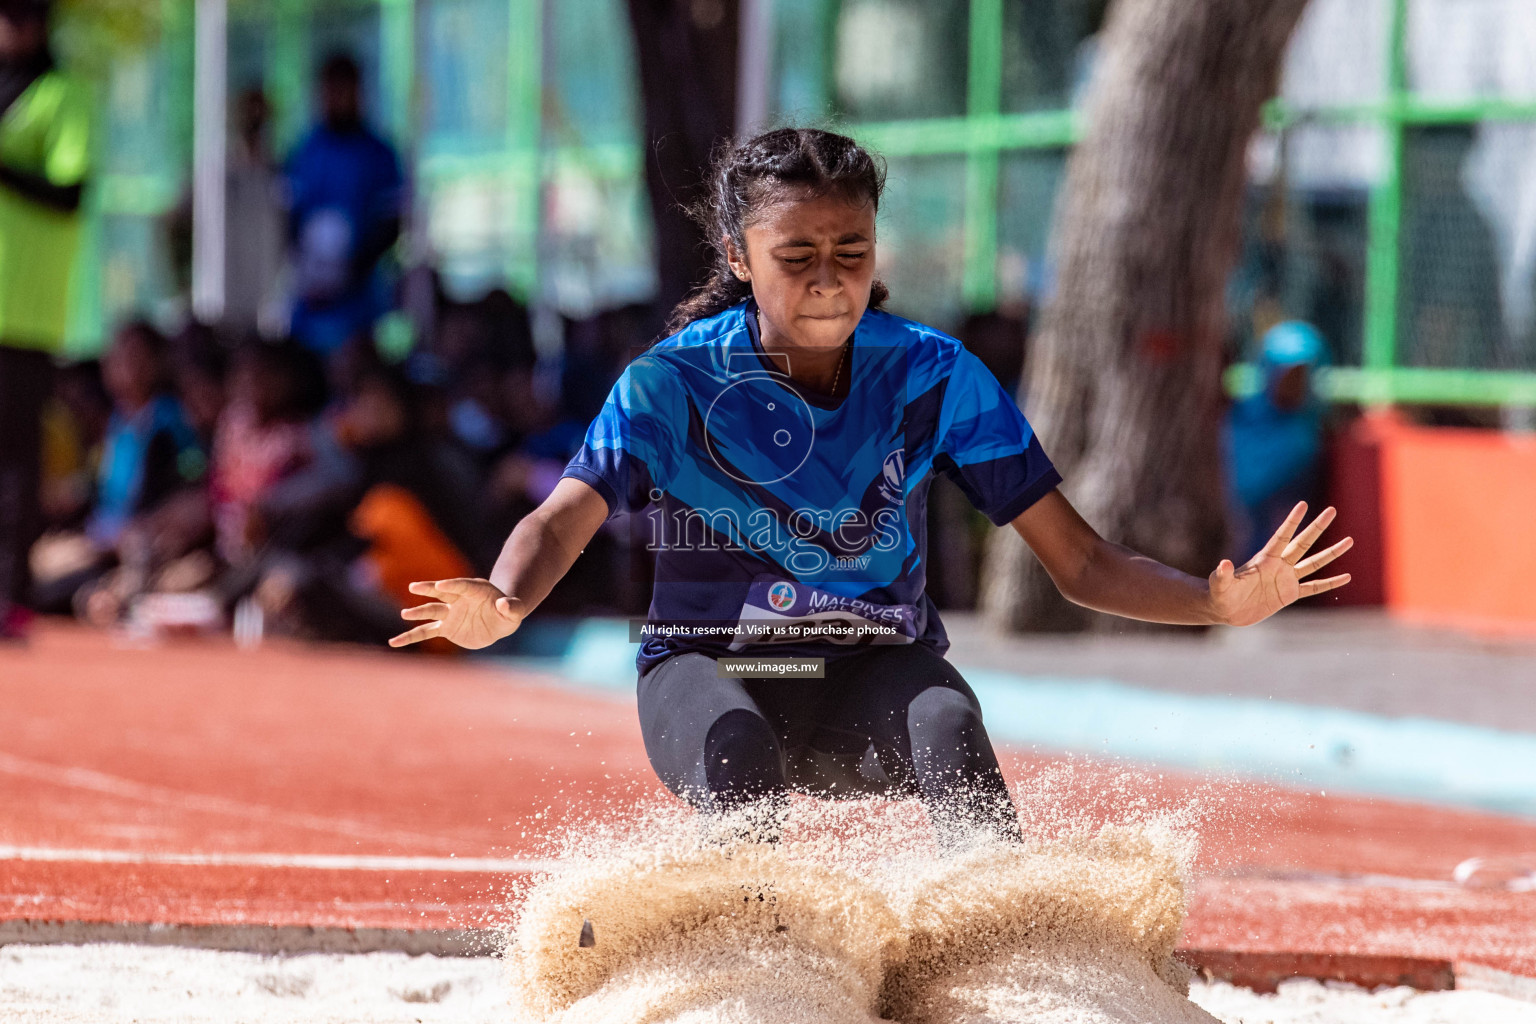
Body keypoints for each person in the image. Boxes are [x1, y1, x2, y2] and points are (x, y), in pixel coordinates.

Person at [390, 129, 1353, 847]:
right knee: (737, 757)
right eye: (795, 256)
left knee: (950, 724)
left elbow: (1082, 560)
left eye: (850, 252)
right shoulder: (671, 382)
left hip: (869, 675)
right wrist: (507, 599)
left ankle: (999, 953)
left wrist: (1216, 604)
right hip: (711, 672)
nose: (828, 280)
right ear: (738, 260)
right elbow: (564, 514)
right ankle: (752, 964)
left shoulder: (933, 377)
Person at [0, 0, 90, 637]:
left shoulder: (62, 96)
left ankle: (11, 593)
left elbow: (69, 191)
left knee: (15, 467)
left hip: (26, 314)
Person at [283, 53, 404, 359]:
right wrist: (313, 271)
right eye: (329, 91)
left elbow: (391, 224)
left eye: (343, 90)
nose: (335, 99)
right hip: (311, 301)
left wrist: (350, 271)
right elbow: (290, 220)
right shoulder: (304, 152)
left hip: (362, 303)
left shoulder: (379, 155)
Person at [1223, 320, 1328, 560]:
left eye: (1301, 370)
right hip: (1249, 506)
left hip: (1283, 500)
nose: (1293, 378)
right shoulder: (1248, 415)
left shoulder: (1306, 421)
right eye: (1286, 369)